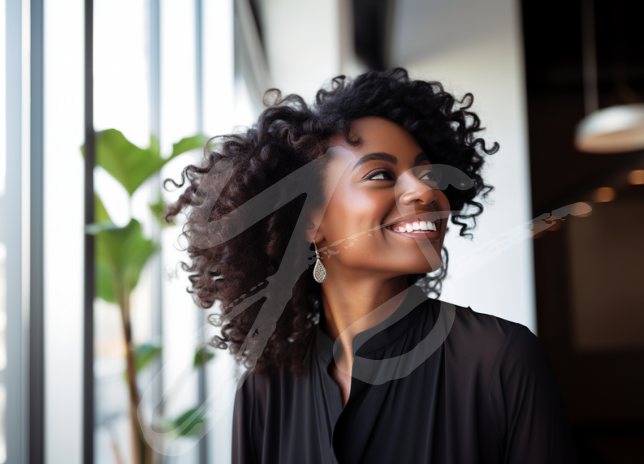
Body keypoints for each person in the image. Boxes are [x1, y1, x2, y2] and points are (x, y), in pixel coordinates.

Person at [163, 68, 579, 464]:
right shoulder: (264, 393)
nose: (424, 189)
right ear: (310, 221)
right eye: (381, 174)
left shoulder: (499, 361)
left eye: (427, 172)